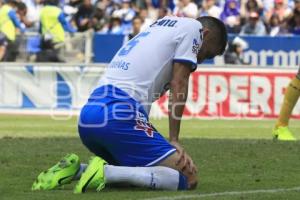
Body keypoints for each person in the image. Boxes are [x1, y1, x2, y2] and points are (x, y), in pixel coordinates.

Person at [32, 16, 227, 192]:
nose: (199, 60)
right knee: (187, 178)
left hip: (90, 117)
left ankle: (76, 170)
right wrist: (174, 139)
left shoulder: (162, 25)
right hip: (119, 113)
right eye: (206, 54)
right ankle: (105, 172)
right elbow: (179, 82)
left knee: (138, 171)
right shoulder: (194, 28)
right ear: (205, 34)